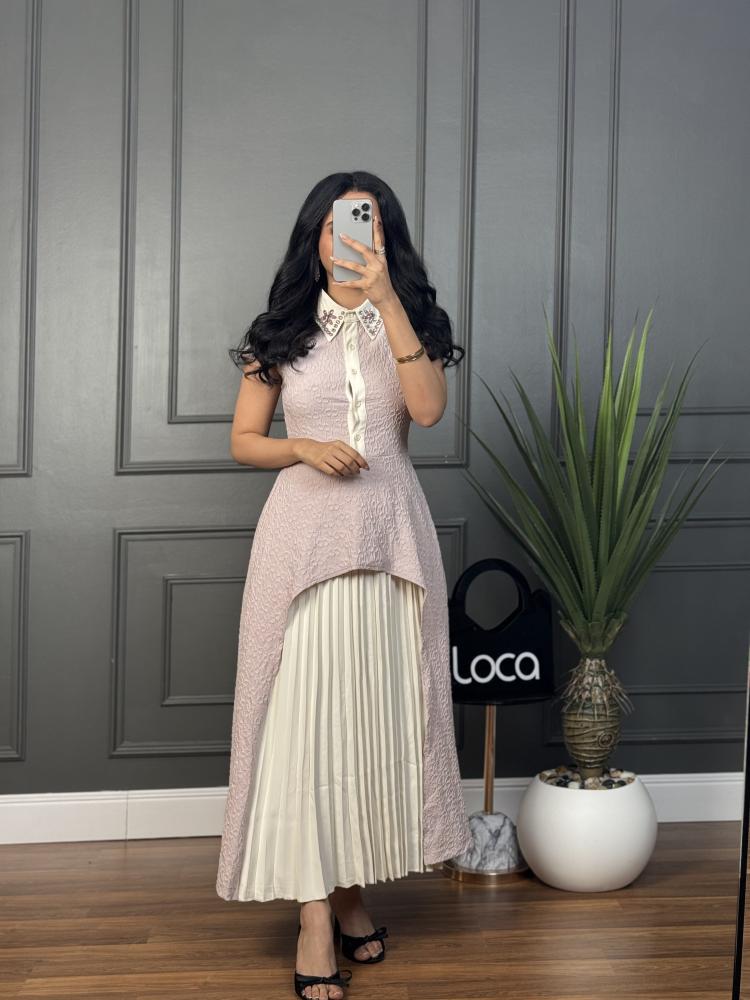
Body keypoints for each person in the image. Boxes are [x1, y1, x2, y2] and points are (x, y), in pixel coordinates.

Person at [216, 171, 473, 999]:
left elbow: (427, 412)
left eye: (365, 223)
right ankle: (314, 918)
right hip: (303, 546)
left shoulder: (413, 321)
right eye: (334, 225)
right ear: (314, 237)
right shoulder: (281, 330)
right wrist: (302, 447)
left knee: (371, 727)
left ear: (385, 236)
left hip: (392, 544)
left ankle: (352, 892)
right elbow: (244, 440)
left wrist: (389, 301)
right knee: (303, 732)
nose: (348, 238)